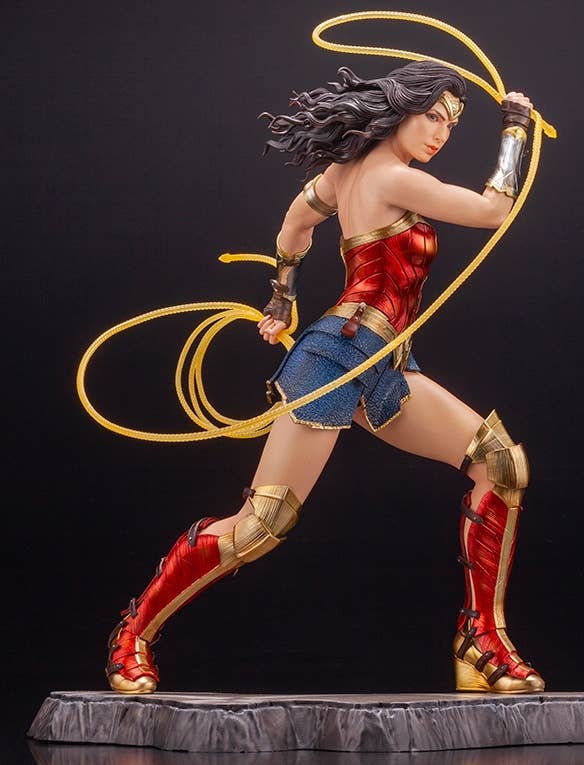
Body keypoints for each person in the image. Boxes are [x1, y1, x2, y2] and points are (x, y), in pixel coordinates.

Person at [106, 61, 544, 695]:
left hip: (384, 361)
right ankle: (133, 635)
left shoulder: (343, 175)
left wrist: (281, 293)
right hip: (336, 360)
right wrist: (515, 130)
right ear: (400, 109)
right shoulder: (394, 177)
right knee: (260, 525)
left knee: (499, 463)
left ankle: (482, 643)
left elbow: (294, 224)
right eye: (432, 116)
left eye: (451, 124)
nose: (440, 134)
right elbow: (492, 210)